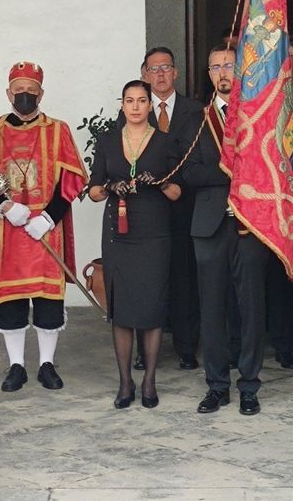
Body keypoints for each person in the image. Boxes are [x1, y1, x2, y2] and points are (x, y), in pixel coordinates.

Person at [0, 61, 87, 393]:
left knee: (47, 301)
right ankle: (16, 366)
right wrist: (3, 206)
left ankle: (45, 364)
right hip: (9, 230)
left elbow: (72, 179)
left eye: (31, 91)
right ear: (8, 93)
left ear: (41, 93)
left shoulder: (58, 130)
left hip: (44, 229)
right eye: (19, 91)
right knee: (11, 301)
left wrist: (48, 217)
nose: (25, 96)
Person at [182, 48, 273, 415]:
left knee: (251, 307)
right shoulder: (195, 119)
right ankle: (217, 385)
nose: (223, 71)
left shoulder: (258, 115)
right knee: (212, 308)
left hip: (251, 223)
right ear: (208, 74)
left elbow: (269, 167)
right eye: (216, 66)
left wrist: (244, 175)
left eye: (229, 66)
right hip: (209, 225)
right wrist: (232, 171)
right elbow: (188, 173)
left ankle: (249, 385)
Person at [88, 80, 182, 408]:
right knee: (123, 310)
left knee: (152, 308)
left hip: (154, 234)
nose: (136, 106)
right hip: (119, 235)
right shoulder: (108, 141)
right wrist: (111, 186)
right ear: (123, 105)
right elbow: (94, 191)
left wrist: (159, 182)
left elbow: (177, 193)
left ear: (149, 105)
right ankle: (125, 381)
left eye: (142, 100)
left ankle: (150, 381)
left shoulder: (165, 141)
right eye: (130, 100)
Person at [141, 47, 202, 370]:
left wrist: (177, 184)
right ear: (144, 75)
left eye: (166, 67)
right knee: (148, 281)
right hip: (146, 210)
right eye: (154, 69)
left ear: (176, 72)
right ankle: (144, 350)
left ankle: (186, 346)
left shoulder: (196, 110)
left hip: (185, 207)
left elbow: (200, 155)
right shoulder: (135, 109)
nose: (161, 74)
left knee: (183, 279)